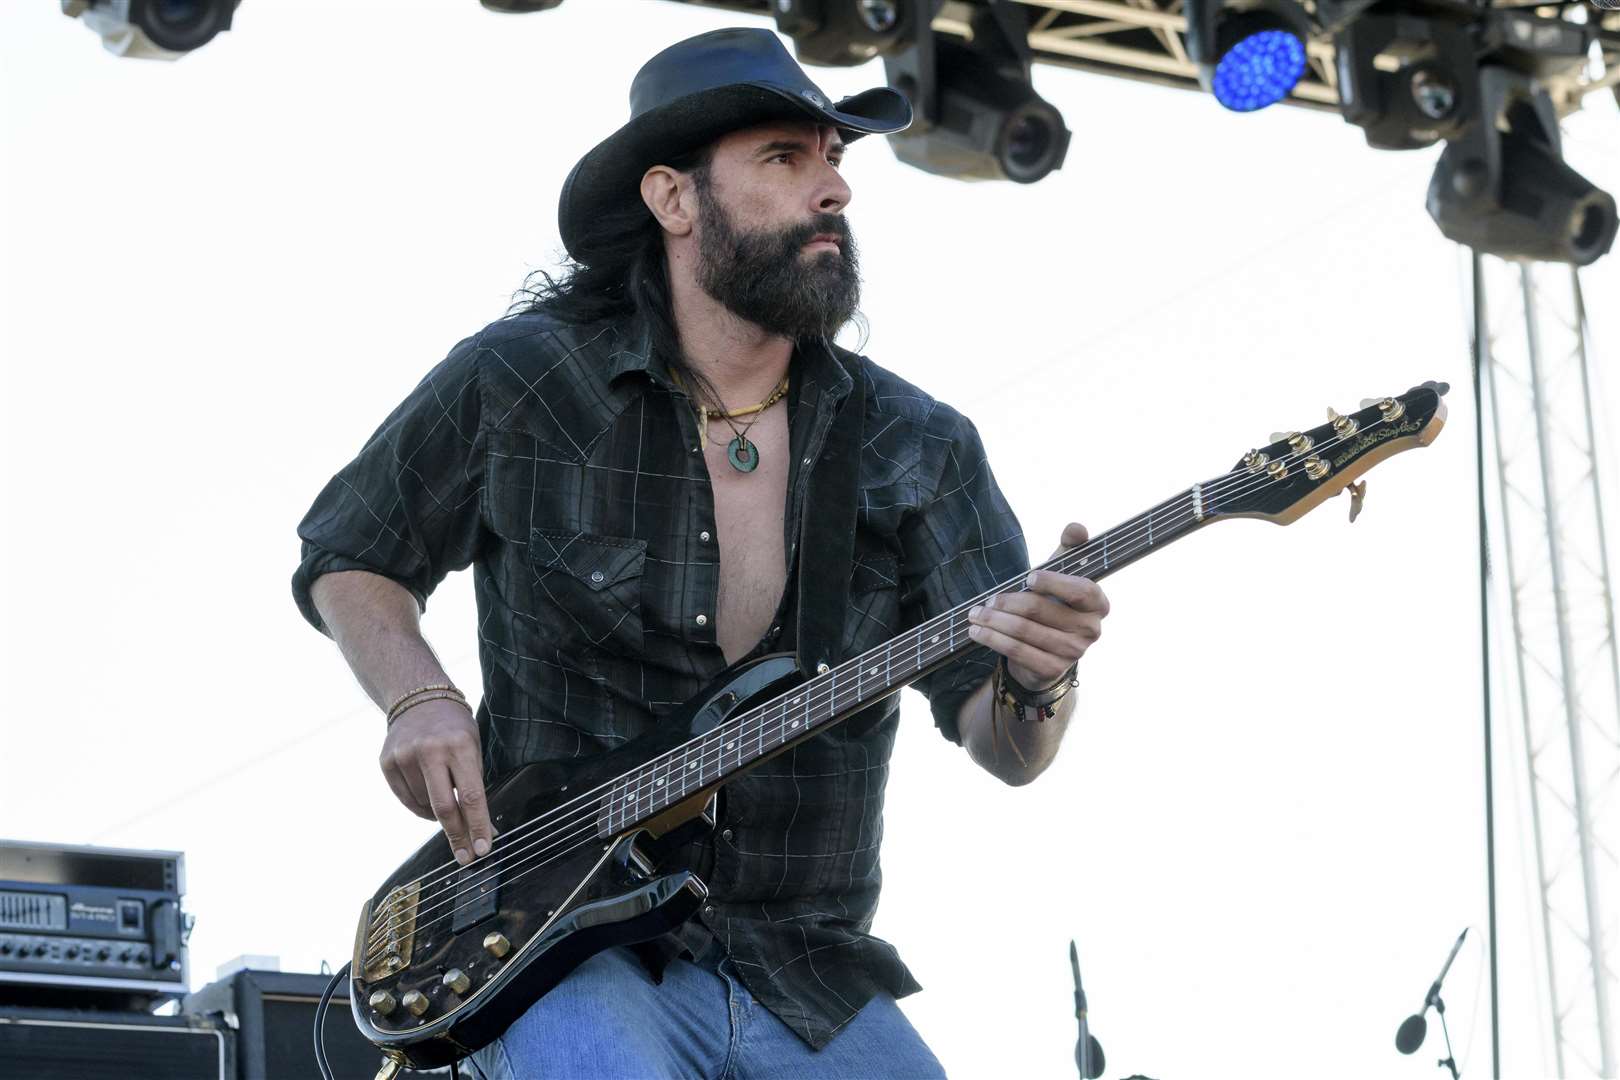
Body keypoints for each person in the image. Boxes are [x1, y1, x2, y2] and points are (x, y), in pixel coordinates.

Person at [292, 27, 1109, 1080]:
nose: (834, 191)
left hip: (804, 967)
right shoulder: (527, 382)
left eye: (836, 159)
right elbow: (350, 554)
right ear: (675, 201)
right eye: (785, 157)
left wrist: (1042, 679)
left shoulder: (919, 445)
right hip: (552, 950)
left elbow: (1003, 747)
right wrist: (418, 697)